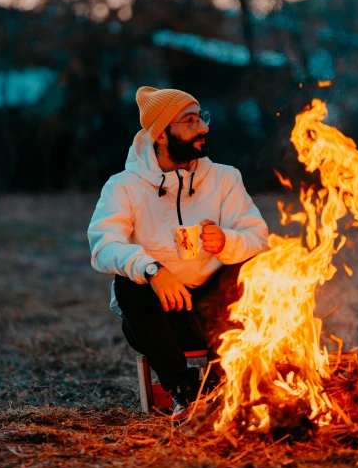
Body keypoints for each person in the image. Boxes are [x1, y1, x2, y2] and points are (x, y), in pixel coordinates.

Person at [88, 86, 269, 419]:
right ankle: (185, 392)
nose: (203, 127)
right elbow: (104, 245)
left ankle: (225, 388)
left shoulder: (224, 179)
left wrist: (227, 241)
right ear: (160, 134)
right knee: (127, 283)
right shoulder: (124, 186)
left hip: (217, 313)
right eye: (189, 121)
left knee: (248, 269)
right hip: (158, 322)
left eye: (201, 118)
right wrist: (153, 270)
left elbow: (258, 239)